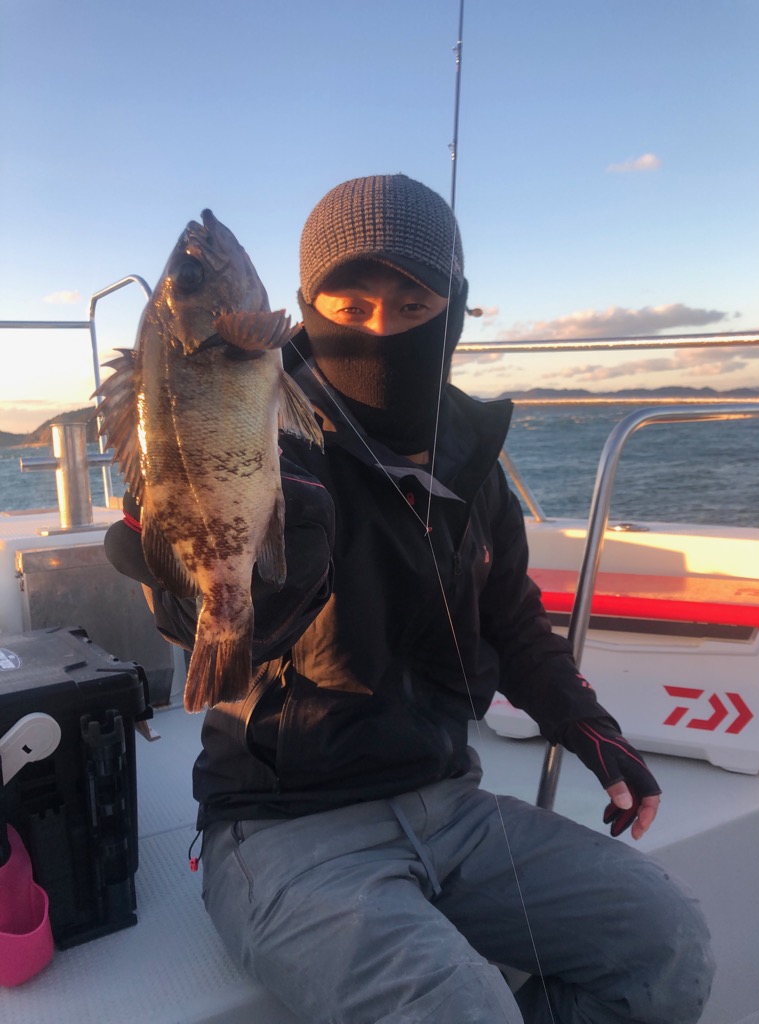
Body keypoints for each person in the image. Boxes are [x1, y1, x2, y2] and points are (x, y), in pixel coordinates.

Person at [106, 173, 714, 1023]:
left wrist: (586, 724)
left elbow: (510, 617)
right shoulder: (275, 431)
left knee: (667, 944)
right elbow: (198, 619)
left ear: (453, 309)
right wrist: (204, 565)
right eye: (350, 306)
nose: (382, 329)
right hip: (282, 824)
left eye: (414, 303)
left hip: (448, 799)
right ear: (304, 308)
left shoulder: (470, 457)